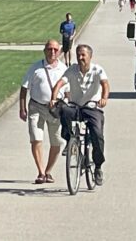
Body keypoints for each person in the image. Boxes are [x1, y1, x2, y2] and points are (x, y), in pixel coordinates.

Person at [50, 44, 110, 185]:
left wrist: (104, 98)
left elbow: (105, 84)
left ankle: (98, 166)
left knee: (97, 135)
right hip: (75, 106)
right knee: (64, 110)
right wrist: (53, 98)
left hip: (92, 107)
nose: (80, 58)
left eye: (83, 55)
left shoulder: (98, 70)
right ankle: (71, 141)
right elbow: (59, 84)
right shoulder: (72, 70)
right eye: (78, 55)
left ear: (90, 56)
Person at [19, 40, 67, 184]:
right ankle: (40, 172)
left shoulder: (64, 69)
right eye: (49, 49)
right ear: (44, 51)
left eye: (55, 49)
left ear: (59, 51)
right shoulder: (35, 68)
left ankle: (48, 171)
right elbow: (24, 88)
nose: (52, 52)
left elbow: (69, 90)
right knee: (36, 139)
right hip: (36, 107)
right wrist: (22, 108)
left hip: (56, 109)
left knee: (56, 142)